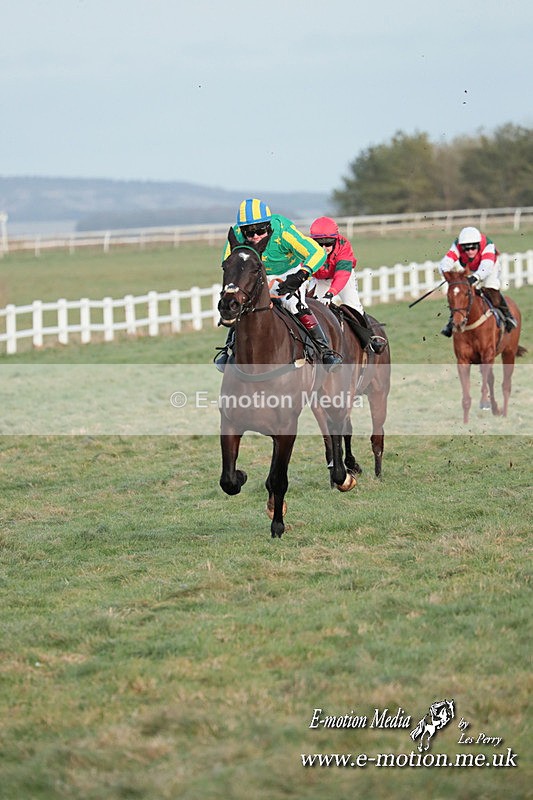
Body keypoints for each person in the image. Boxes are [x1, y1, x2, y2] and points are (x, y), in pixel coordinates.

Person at [215, 199, 342, 370]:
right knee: (242, 305)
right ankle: (228, 349)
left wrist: (302, 274)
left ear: (268, 225)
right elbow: (228, 261)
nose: (254, 236)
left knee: (293, 303)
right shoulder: (237, 234)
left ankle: (325, 350)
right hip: (257, 274)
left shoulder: (283, 230)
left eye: (259, 230)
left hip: (289, 272)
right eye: (248, 232)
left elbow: (317, 252)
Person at [307, 217, 387, 354]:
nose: (324, 248)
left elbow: (342, 274)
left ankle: (372, 339)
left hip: (343, 277)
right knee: (311, 308)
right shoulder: (306, 247)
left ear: (336, 239)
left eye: (328, 243)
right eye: (319, 243)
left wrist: (331, 293)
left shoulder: (344, 246)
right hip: (319, 279)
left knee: (353, 305)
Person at [438, 226, 518, 336]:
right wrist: (448, 275)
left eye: (473, 248)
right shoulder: (456, 246)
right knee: (461, 293)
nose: (470, 251)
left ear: (478, 245)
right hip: (470, 268)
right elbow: (445, 262)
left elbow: (486, 266)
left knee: (490, 286)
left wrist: (475, 277)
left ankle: (508, 316)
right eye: (466, 249)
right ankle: (452, 322)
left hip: (490, 266)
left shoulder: (488, 245)